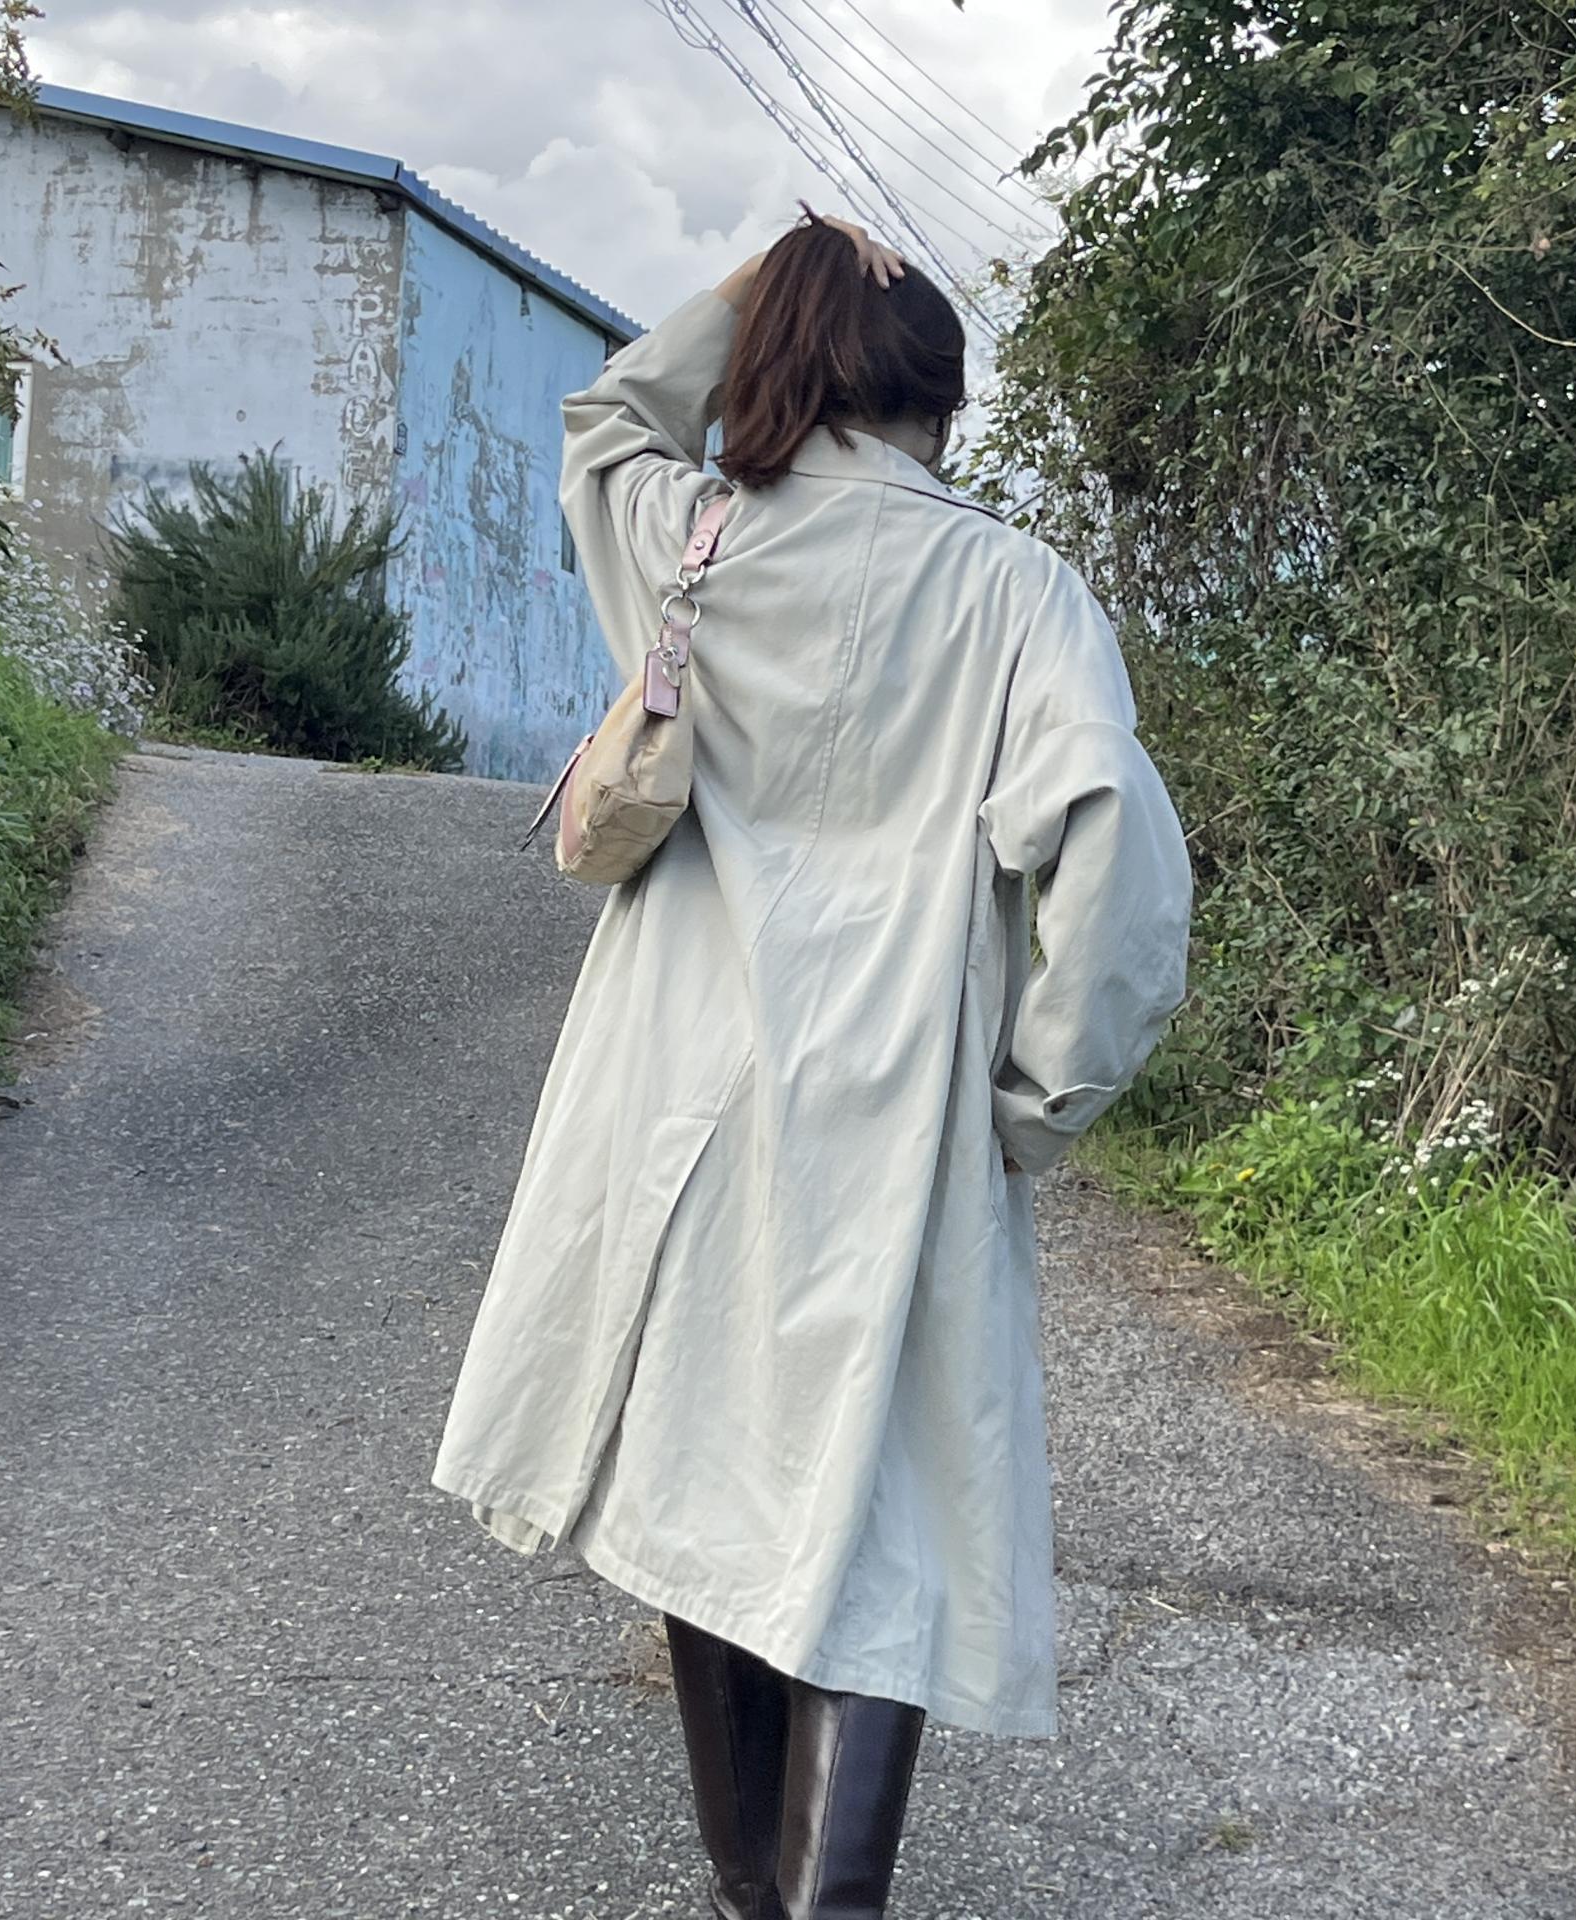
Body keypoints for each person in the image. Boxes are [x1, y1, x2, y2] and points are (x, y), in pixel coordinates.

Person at [432, 209, 1193, 1918]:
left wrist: (754, 279)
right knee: (886, 1520)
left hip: (679, 1111)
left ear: (785, 363)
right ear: (940, 392)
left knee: (708, 1483)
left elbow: (608, 417)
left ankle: (748, 1895)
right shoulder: (1016, 591)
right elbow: (1120, 874)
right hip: (900, 1121)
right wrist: (1036, 1101)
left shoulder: (691, 541)